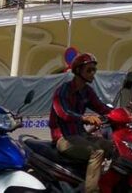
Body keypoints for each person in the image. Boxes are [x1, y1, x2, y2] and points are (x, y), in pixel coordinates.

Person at [50, 53, 114, 193]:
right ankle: (91, 191)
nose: (93, 74)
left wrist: (122, 114)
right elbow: (64, 113)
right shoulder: (63, 91)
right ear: (78, 71)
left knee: (113, 147)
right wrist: (85, 118)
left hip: (81, 135)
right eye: (89, 70)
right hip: (64, 138)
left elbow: (101, 107)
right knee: (96, 152)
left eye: (94, 70)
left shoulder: (87, 91)